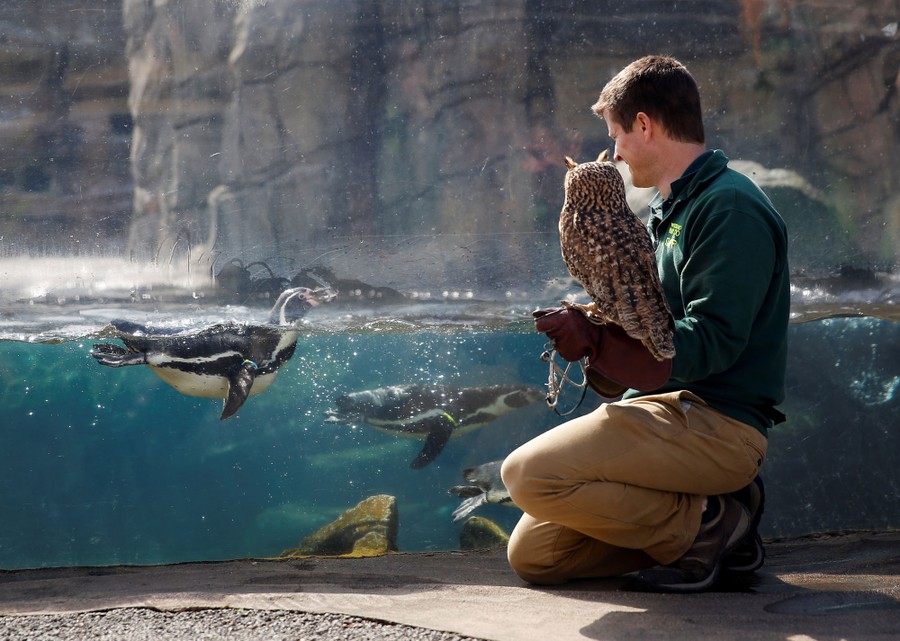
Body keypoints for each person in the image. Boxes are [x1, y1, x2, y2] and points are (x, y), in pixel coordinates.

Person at [501, 55, 790, 593]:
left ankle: (706, 527)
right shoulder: (668, 210)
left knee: (526, 474)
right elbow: (651, 333)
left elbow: (711, 345)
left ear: (644, 125)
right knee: (536, 555)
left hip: (719, 424)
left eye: (615, 136)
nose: (613, 154)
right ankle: (710, 520)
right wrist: (593, 333)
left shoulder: (730, 208)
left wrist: (599, 342)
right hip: (661, 410)